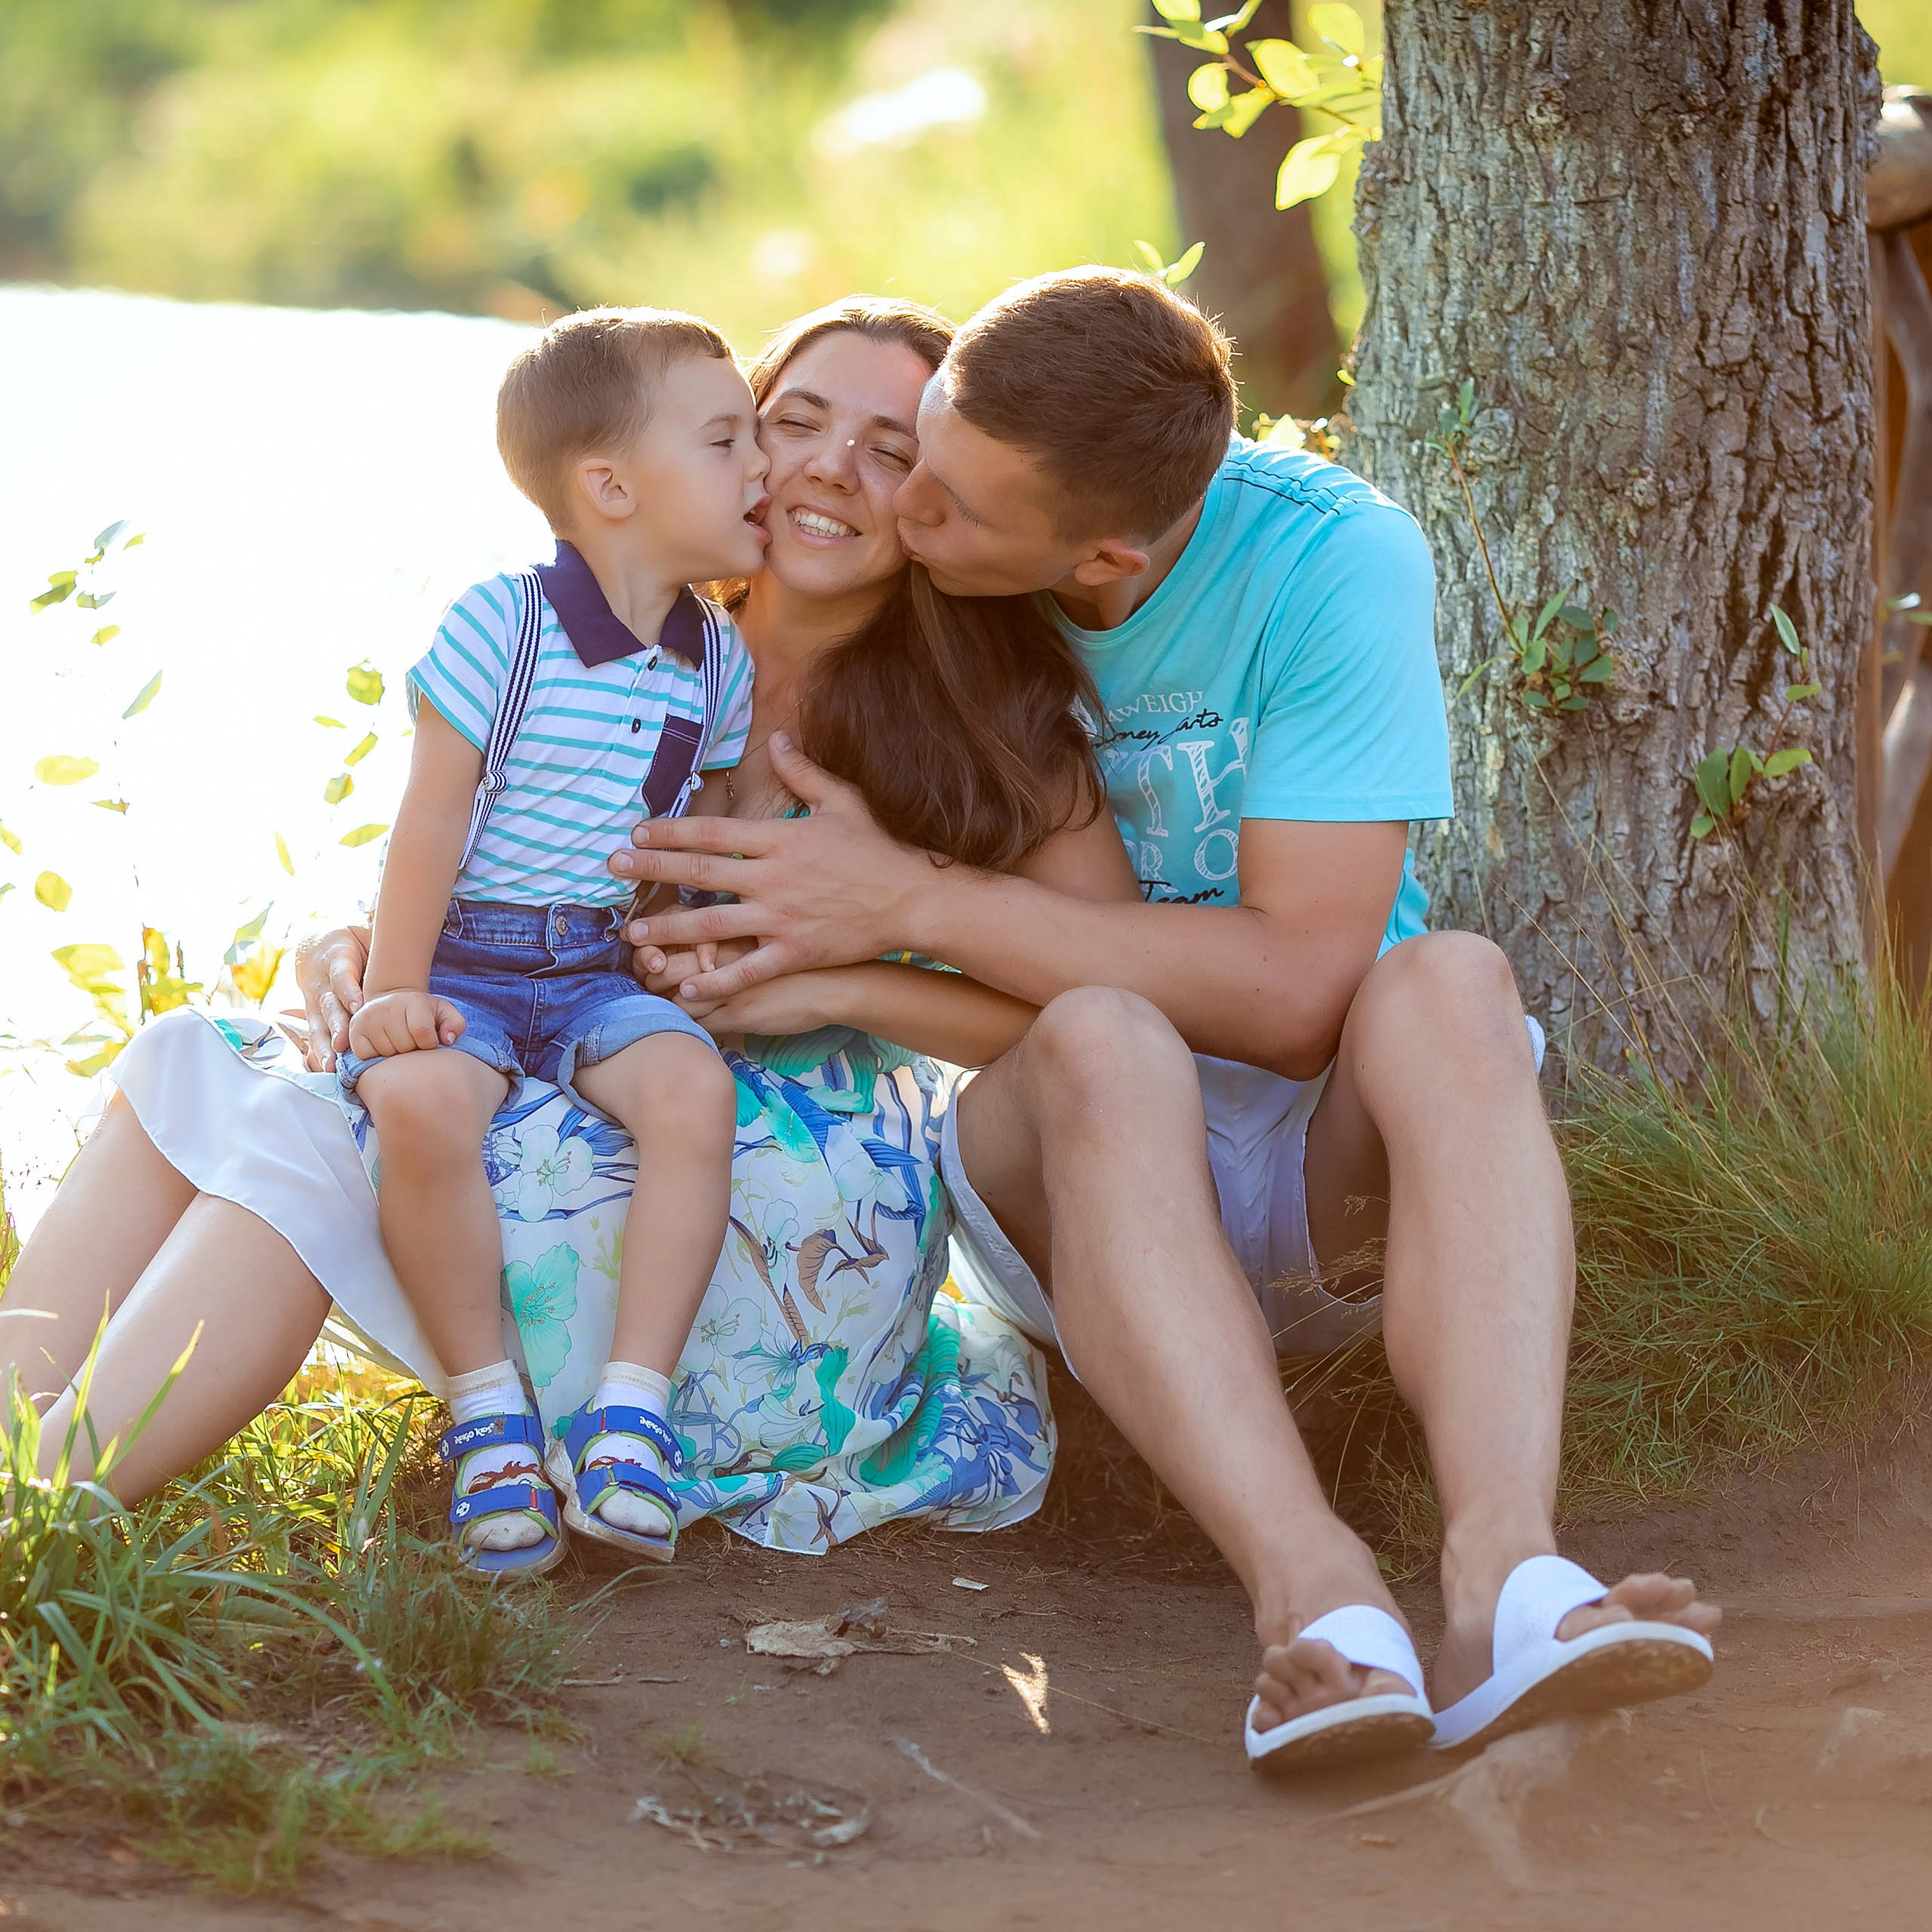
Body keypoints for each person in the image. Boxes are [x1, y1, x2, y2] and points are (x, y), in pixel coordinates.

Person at [609, 266, 1723, 1769]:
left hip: (1325, 1159)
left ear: (1099, 557)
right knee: (1103, 1035)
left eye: (938, 490)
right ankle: (1316, 1598)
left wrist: (905, 903)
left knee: (1451, 979)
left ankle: (1505, 1583)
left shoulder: (1323, 560)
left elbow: (1297, 1000)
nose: (902, 506)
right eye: (913, 452)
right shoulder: (947, 578)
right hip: (1076, 1162)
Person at [0, 296, 1124, 1561]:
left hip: (789, 1192)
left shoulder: (988, 728)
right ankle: (14, 1447)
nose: (825, 467)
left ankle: (49, 1512)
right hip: (583, 1064)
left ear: (937, 494)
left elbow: (1090, 1023)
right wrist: (354, 942)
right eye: (793, 422)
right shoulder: (635, 644)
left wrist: (843, 982)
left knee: (324, 1128)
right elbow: (497, 848)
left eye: (888, 447)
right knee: (196, 1058)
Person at [339, 308, 768, 1574]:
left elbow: (695, 833)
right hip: (465, 959)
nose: (764, 466)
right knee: (419, 1101)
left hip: (592, 968)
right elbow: (431, 818)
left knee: (693, 1090)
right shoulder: (504, 625)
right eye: (727, 441)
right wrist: (394, 987)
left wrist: (682, 945)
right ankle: (487, 1415)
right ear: (611, 485)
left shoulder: (717, 660)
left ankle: (632, 1410)